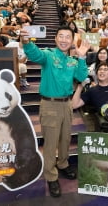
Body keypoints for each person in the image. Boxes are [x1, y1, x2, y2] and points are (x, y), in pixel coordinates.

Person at [20, 26, 90, 198]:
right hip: (50, 105)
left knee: (66, 138)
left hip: (67, 105)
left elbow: (82, 77)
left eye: (68, 37)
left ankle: (63, 164)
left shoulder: (73, 61)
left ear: (72, 40)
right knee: (51, 143)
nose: (64, 40)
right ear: (55, 39)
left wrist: (81, 57)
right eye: (61, 36)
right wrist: (26, 41)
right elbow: (35, 54)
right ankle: (51, 176)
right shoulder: (49, 55)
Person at [72, 62, 108, 132]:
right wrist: (80, 86)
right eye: (100, 69)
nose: (102, 71)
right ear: (96, 74)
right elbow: (74, 105)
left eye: (105, 69)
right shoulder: (92, 91)